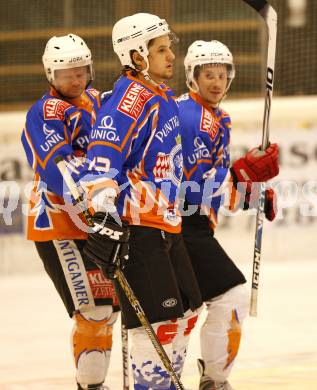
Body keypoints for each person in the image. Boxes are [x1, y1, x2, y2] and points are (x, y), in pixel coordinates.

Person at [80, 13, 203, 390]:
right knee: (161, 324)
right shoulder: (130, 100)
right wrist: (103, 216)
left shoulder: (159, 94)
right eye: (161, 50)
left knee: (188, 313)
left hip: (166, 222)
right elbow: (100, 160)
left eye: (170, 48)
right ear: (136, 55)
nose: (171, 56)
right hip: (139, 228)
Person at [178, 40, 279, 390]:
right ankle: (214, 381)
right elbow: (190, 188)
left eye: (222, 75)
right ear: (193, 77)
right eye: (208, 75)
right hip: (178, 222)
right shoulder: (190, 118)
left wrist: (253, 191)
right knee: (230, 297)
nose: (217, 82)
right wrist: (241, 174)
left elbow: (217, 191)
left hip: (191, 222)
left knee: (187, 310)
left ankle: (205, 379)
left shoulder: (217, 117)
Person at [21, 34, 119, 390]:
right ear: (51, 75)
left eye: (80, 71)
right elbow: (58, 167)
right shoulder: (44, 113)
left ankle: (94, 383)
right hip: (58, 225)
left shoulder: (96, 100)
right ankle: (90, 386)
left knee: (109, 310)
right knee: (94, 312)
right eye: (66, 74)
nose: (75, 80)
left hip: (92, 222)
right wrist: (95, 197)